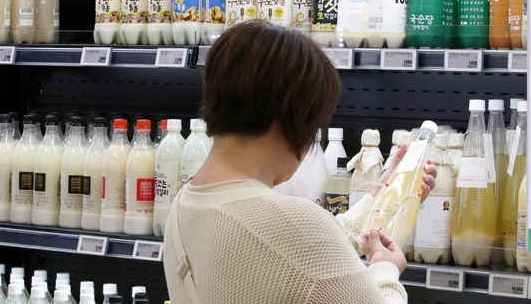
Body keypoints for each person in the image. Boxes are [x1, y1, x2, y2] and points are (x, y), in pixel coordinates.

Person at [163, 20, 437, 304]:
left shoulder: (184, 203)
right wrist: (386, 270)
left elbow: (306, 252)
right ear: (294, 119)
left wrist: (383, 193)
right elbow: (303, 243)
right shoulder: (291, 224)